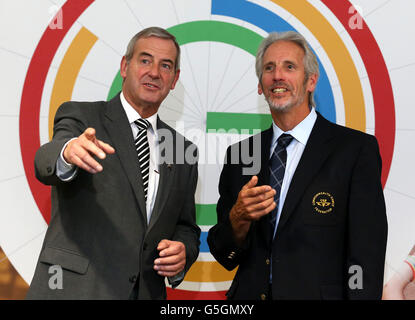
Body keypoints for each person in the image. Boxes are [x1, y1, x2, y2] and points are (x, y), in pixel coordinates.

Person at [207, 31, 387, 300]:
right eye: (269, 68)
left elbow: (365, 254)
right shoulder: (240, 155)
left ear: (311, 81)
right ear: (260, 85)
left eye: (289, 66)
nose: (277, 75)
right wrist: (238, 219)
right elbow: (224, 255)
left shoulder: (354, 150)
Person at [26, 27, 200, 299]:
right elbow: (45, 160)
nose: (154, 72)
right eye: (145, 60)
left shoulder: (183, 150)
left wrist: (182, 250)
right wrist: (68, 152)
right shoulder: (82, 116)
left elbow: (186, 225)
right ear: (124, 66)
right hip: (75, 291)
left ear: (174, 79)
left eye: (165, 65)